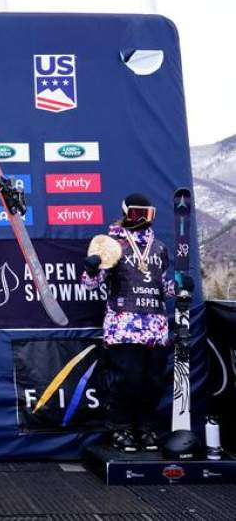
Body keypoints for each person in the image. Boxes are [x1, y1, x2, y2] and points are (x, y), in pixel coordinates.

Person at [82, 193, 188, 453]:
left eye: (146, 214)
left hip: (155, 328)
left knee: (153, 382)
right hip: (124, 327)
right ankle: (121, 428)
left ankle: (146, 427)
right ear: (125, 212)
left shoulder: (159, 247)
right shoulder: (112, 245)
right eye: (136, 213)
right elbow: (90, 285)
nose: (141, 219)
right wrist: (92, 269)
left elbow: (162, 286)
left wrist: (180, 287)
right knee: (127, 381)